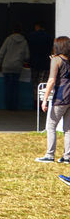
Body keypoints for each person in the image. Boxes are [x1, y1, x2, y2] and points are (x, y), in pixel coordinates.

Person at [39, 35, 70, 163]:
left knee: (51, 126)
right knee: (68, 129)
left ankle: (49, 154)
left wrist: (45, 99)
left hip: (61, 96)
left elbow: (51, 80)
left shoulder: (56, 60)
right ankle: (67, 156)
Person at [0, 24, 29, 111]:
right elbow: (27, 56)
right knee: (15, 87)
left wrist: (0, 63)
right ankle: (14, 106)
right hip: (17, 66)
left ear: (13, 31)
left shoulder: (8, 39)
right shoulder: (24, 41)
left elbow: (1, 52)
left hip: (6, 66)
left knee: (7, 86)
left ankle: (7, 106)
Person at [28, 21, 53, 87]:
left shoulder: (31, 36)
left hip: (34, 63)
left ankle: (35, 97)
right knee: (42, 84)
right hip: (45, 63)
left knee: (34, 84)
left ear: (37, 26)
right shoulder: (49, 37)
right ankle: (41, 97)